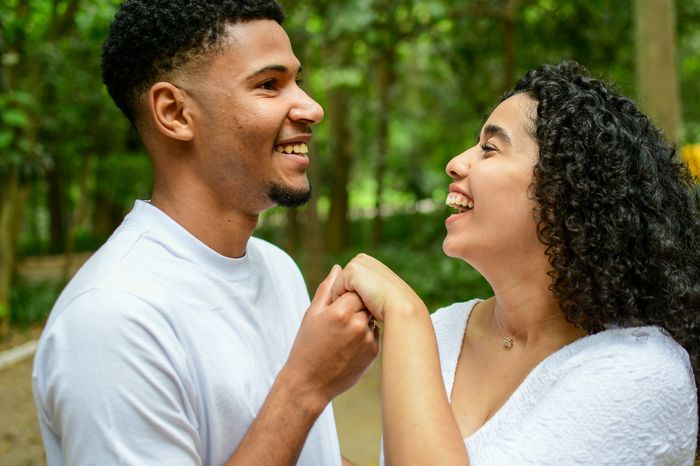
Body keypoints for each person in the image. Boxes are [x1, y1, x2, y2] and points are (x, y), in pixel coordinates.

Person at [32, 1, 379, 465]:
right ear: (174, 112)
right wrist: (306, 386)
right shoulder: (112, 317)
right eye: (269, 85)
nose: (312, 107)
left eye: (298, 80)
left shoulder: (276, 267)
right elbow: (298, 406)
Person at [332, 61, 699, 465]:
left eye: (489, 148)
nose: (456, 162)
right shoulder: (443, 332)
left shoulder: (642, 374)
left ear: (564, 189)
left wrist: (404, 315)